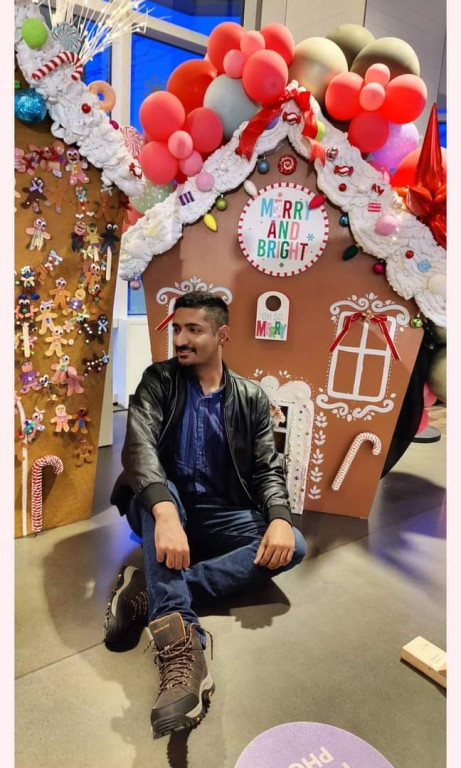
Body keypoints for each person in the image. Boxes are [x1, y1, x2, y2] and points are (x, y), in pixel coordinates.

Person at [107, 291, 307, 739]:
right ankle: (182, 644)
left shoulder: (251, 397)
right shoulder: (158, 380)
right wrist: (165, 513)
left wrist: (279, 516)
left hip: (221, 513)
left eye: (193, 330)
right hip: (162, 509)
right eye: (177, 329)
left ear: (222, 336)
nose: (180, 339)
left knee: (294, 544)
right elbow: (139, 451)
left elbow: (267, 468)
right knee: (162, 492)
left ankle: (151, 593)